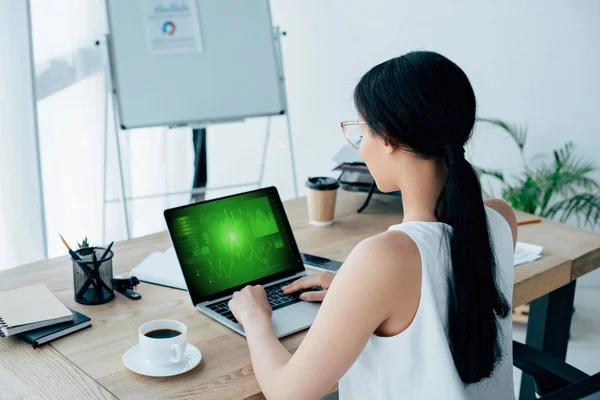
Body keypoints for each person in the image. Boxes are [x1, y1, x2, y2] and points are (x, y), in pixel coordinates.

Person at [228, 51, 517, 399]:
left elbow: (286, 393)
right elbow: (438, 291)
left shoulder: (384, 257)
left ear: (389, 139)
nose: (360, 147)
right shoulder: (501, 219)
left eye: (362, 131)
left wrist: (255, 318)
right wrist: (356, 291)